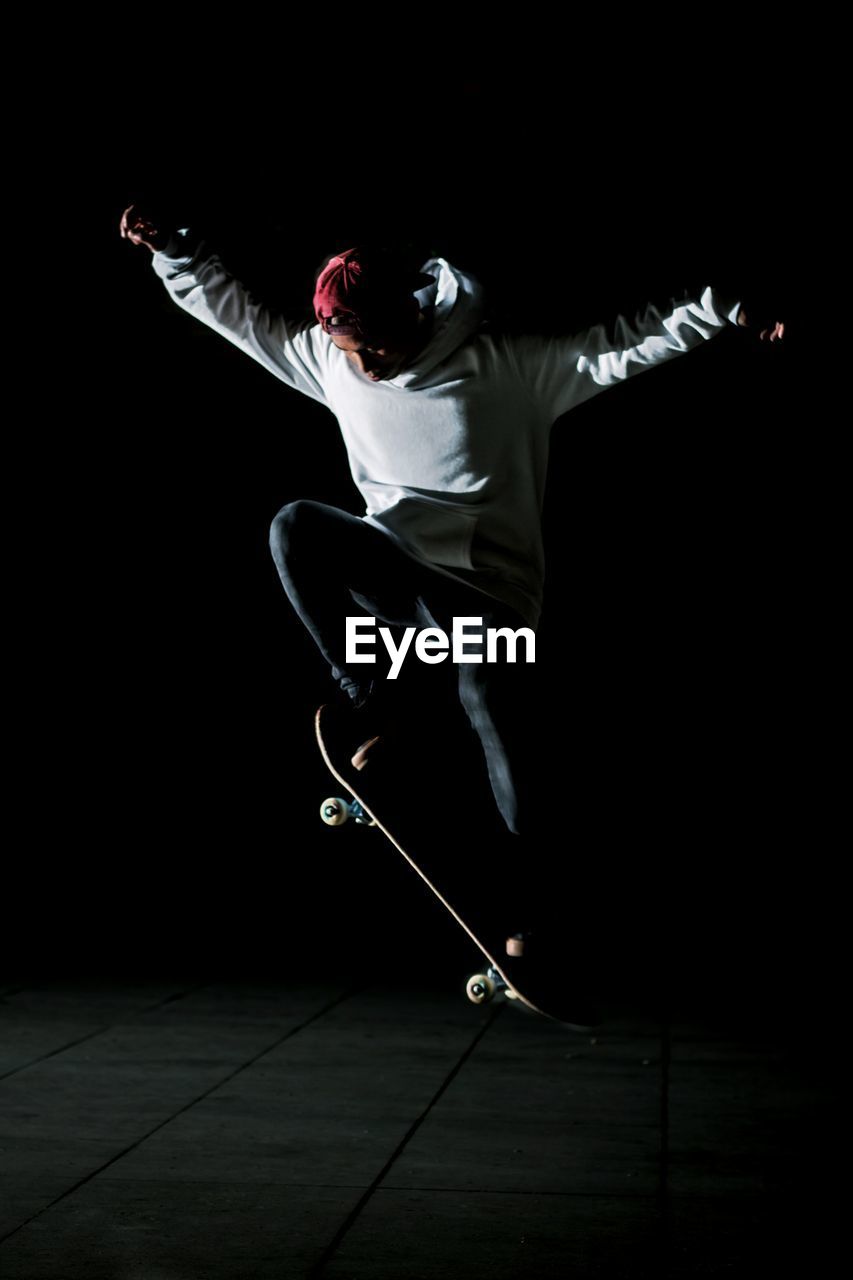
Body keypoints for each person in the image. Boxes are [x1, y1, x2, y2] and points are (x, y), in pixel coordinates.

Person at [120, 204, 784, 975]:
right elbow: (237, 316)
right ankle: (374, 702)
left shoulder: (513, 369)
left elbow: (623, 346)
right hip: (396, 581)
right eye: (349, 344)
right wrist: (175, 251)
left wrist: (722, 307)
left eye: (373, 341)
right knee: (295, 524)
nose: (364, 360)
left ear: (412, 311)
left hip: (490, 601)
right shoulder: (328, 360)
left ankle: (538, 912)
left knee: (489, 709)